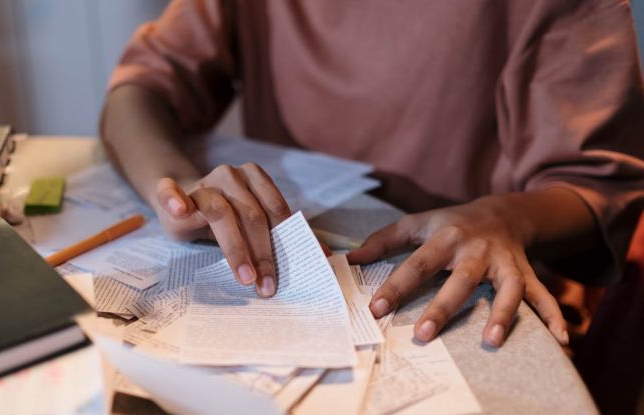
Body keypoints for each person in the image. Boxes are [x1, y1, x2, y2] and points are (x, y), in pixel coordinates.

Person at [100, 0, 644, 348]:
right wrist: (173, 186)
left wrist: (500, 217)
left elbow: (597, 186)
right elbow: (142, 88)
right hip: (300, 268)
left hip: (469, 276)